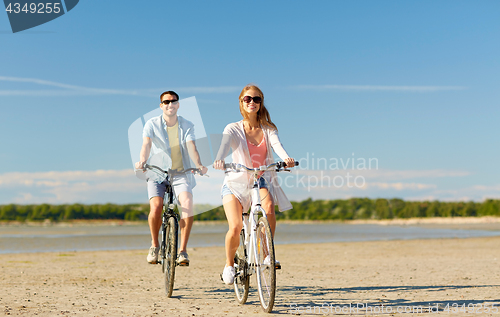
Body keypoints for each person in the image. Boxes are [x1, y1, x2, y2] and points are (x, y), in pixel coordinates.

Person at [213, 84, 296, 284]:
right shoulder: (232, 128)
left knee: (268, 208)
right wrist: (219, 159)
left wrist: (286, 158)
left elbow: (277, 146)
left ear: (261, 103)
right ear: (241, 102)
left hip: (260, 179)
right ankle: (229, 264)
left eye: (256, 99)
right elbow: (224, 145)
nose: (252, 102)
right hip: (235, 182)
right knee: (235, 227)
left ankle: (267, 253)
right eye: (248, 99)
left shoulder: (268, 129)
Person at [135, 91, 208, 265]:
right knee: (157, 206)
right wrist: (142, 161)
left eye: (173, 101)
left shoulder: (187, 125)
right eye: (166, 102)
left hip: (180, 172)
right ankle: (154, 245)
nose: (170, 104)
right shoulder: (151, 124)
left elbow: (192, 146)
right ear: (161, 105)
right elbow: (146, 144)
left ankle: (182, 251)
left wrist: (198, 164)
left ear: (178, 104)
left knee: (188, 204)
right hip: (157, 171)